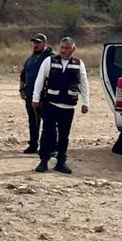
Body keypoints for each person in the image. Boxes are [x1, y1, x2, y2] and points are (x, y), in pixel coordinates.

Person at [31, 36, 90, 174]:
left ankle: (61, 162)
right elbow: (39, 80)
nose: (63, 51)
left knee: (64, 136)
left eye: (67, 48)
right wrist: (35, 99)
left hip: (68, 107)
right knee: (47, 133)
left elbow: (84, 84)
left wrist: (86, 102)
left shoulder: (79, 64)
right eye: (62, 48)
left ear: (73, 49)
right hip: (51, 104)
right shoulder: (50, 61)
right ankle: (44, 161)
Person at [19, 33, 55, 155]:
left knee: (48, 122)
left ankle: (51, 146)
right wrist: (21, 89)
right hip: (30, 94)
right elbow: (23, 74)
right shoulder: (31, 58)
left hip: (45, 95)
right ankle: (33, 145)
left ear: (45, 43)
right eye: (34, 42)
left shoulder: (51, 57)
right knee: (33, 121)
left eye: (38, 42)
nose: (35, 45)